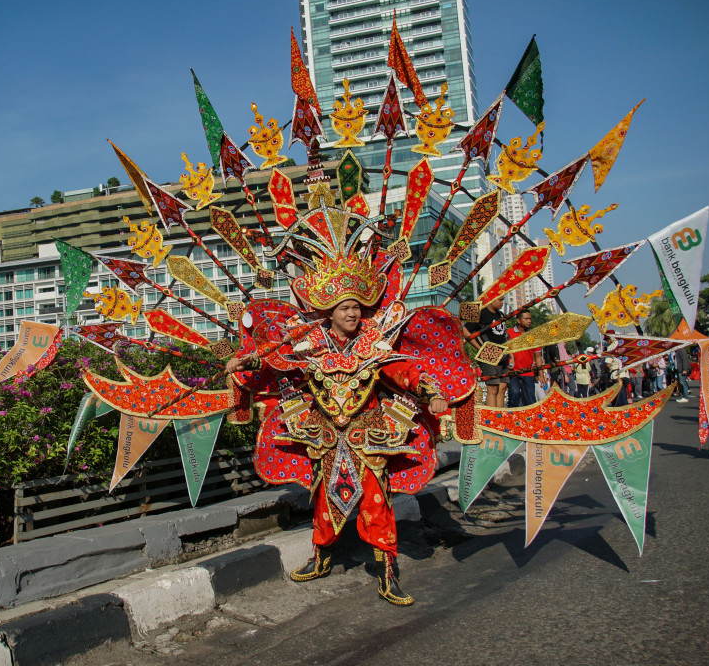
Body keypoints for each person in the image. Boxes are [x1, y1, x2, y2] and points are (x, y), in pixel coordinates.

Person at [226, 217, 476, 606]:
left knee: (377, 503)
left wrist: (432, 391)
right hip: (325, 437)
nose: (353, 313)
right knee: (325, 501)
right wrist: (246, 364)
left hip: (369, 435)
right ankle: (321, 557)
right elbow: (278, 362)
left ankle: (388, 573)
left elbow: (405, 370)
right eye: (345, 307)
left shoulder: (374, 345)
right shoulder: (311, 343)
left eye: (357, 307)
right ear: (330, 310)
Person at [463, 296, 509, 407]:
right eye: (500, 300)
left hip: (503, 354)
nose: (502, 302)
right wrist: (481, 349)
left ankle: (500, 418)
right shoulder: (481, 313)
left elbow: (506, 336)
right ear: (491, 300)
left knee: (502, 388)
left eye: (503, 300)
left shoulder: (500, 315)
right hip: (488, 354)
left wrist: (511, 355)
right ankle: (492, 419)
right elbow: (465, 330)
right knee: (493, 388)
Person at [505, 310, 545, 407]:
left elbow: (538, 356)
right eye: (526, 319)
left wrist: (541, 375)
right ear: (518, 320)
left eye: (530, 319)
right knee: (514, 395)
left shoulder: (533, 336)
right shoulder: (508, 333)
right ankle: (512, 419)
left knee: (530, 400)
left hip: (528, 372)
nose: (529, 321)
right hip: (513, 372)